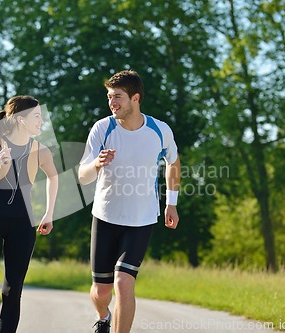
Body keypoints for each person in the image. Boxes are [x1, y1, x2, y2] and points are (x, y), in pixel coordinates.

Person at [78, 70, 181, 333]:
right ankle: (104, 317)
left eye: (118, 97)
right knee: (102, 292)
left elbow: (173, 162)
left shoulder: (159, 130)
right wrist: (97, 164)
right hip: (105, 216)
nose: (112, 102)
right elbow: (83, 176)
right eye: (110, 97)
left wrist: (171, 203)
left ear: (135, 98)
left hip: (141, 219)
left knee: (123, 282)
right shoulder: (102, 128)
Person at [0, 95, 58, 333]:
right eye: (37, 116)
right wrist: (0, 168)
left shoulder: (40, 150)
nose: (41, 121)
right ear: (20, 120)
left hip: (22, 221)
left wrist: (49, 213)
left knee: (13, 288)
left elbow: (53, 177)